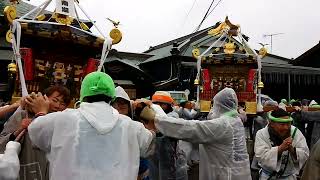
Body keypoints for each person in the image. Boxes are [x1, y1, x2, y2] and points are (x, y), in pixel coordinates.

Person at [27, 72, 155, 180]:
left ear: (83, 94)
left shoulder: (61, 119)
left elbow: (36, 132)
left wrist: (41, 111)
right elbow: (148, 142)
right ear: (112, 96)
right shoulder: (132, 127)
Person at [151, 88, 252, 180]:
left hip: (226, 174)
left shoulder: (224, 125)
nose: (212, 109)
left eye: (214, 105)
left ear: (220, 105)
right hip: (239, 172)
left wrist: (156, 119)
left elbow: (191, 128)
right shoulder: (236, 120)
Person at [0, 85, 71, 180]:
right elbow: (1, 143)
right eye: (54, 100)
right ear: (44, 98)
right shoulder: (23, 114)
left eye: (63, 103)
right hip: (27, 171)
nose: (57, 106)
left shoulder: (63, 122)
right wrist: (20, 129)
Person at [254, 108, 309, 180]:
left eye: (288, 124)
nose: (286, 127)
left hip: (289, 177)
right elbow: (261, 156)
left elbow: (305, 154)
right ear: (272, 123)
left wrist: (292, 150)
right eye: (282, 124)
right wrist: (280, 149)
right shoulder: (261, 134)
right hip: (268, 177)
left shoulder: (295, 132)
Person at [112, 86, 151, 180]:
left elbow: (144, 153)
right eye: (117, 102)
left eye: (124, 102)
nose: (121, 104)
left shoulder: (137, 126)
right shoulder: (105, 125)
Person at [149, 91, 188, 180]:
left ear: (168, 105)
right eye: (156, 104)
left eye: (161, 104)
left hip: (170, 155)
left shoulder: (173, 116)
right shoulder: (152, 116)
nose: (158, 106)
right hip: (154, 155)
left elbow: (165, 124)